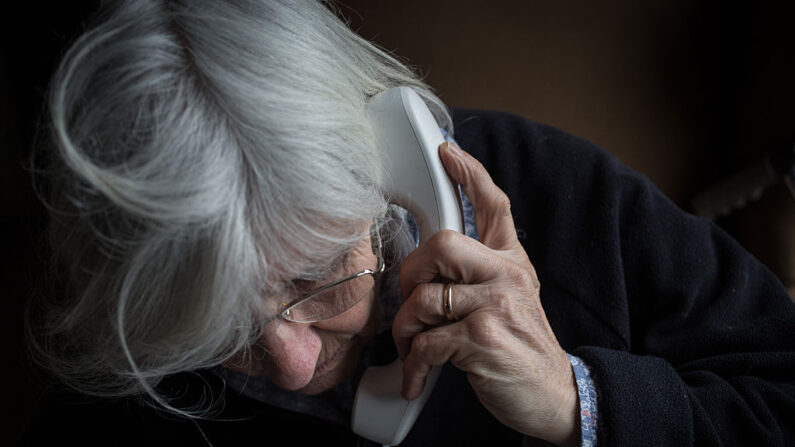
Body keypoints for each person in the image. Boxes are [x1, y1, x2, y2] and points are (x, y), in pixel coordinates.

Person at [24, 1, 795, 446]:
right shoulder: (123, 360)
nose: (292, 363)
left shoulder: (550, 189)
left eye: (313, 275)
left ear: (390, 168)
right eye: (220, 325)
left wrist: (578, 402)